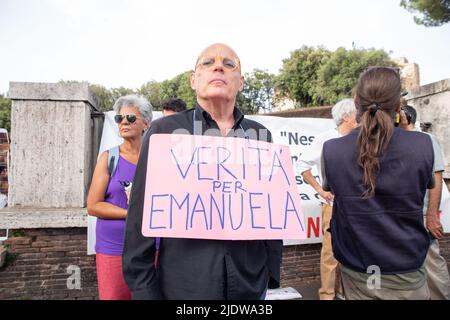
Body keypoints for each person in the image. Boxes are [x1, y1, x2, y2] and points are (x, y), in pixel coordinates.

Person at [122, 43, 283, 300]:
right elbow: (139, 217)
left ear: (240, 82)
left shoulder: (261, 135)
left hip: (250, 286)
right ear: (193, 80)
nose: (219, 66)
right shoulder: (165, 131)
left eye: (229, 64)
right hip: (183, 287)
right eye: (208, 63)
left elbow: (272, 209)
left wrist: (269, 272)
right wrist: (144, 290)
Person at [322, 67, 436, 300]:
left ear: (356, 104)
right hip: (406, 270)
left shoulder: (332, 150)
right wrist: (409, 134)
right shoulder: (423, 145)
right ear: (398, 106)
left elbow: (333, 187)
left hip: (358, 269)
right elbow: (422, 182)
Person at [87, 95, 152, 300]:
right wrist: (131, 213)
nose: (124, 122)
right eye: (119, 119)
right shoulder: (109, 157)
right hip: (114, 248)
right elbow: (94, 206)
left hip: (152, 247)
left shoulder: (157, 158)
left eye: (131, 118)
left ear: (146, 123)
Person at [298, 98, 357, 300]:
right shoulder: (326, 139)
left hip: (356, 206)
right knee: (331, 253)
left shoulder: (361, 139)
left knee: (351, 251)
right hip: (332, 206)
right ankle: (327, 295)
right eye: (357, 113)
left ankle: (343, 292)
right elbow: (303, 165)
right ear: (346, 116)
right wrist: (320, 190)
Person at [402, 104, 450, 300]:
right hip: (403, 214)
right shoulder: (395, 141)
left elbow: (436, 178)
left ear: (406, 117)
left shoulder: (427, 140)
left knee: (430, 261)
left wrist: (431, 215)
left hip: (420, 214)